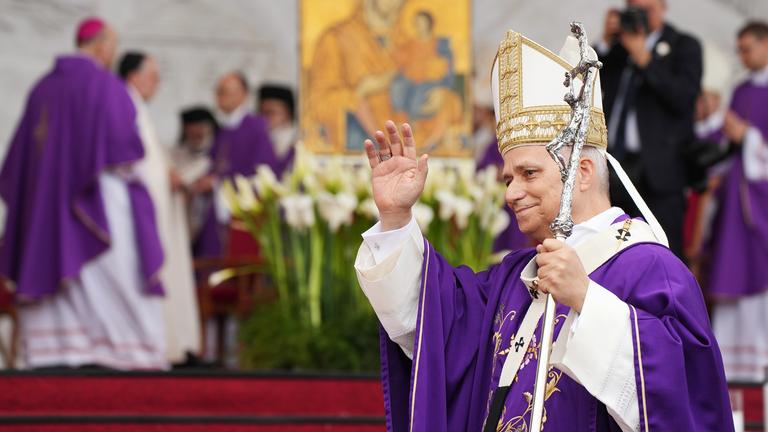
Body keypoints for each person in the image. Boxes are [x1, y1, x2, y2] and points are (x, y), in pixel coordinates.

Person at [355, 29, 732, 431]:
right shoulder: (516, 275)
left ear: (582, 172)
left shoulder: (650, 268)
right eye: (507, 179)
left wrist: (587, 300)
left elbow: (688, 397)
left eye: (529, 173)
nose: (513, 193)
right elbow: (434, 327)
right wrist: (396, 219)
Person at [0, 18, 167, 370]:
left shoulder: (41, 89)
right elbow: (127, 154)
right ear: (102, 45)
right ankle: (122, 349)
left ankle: (58, 349)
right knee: (115, 275)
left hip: (44, 213)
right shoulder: (105, 86)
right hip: (100, 205)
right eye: (113, 46)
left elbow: (18, 163)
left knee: (55, 265)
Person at [597, 0, 703, 258]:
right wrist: (604, 42)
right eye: (634, 9)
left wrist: (644, 57)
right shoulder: (618, 50)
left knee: (663, 250)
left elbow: (683, 98)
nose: (640, 15)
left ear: (662, 7)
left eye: (647, 9)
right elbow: (588, 78)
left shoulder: (683, 45)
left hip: (660, 171)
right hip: (615, 166)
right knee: (611, 247)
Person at [118, 51, 201, 365]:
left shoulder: (136, 107)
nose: (158, 83)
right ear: (134, 77)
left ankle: (173, 342)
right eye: (153, 76)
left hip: (159, 207)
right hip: (144, 211)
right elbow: (138, 166)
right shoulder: (127, 107)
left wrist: (170, 174)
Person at [709, 20, 768, 383]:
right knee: (732, 273)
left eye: (747, 48)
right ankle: (733, 369)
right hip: (737, 200)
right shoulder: (742, 89)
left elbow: (751, 141)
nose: (742, 56)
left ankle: (760, 362)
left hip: (760, 203)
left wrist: (747, 136)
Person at [194, 72, 277, 257]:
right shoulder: (223, 130)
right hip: (217, 211)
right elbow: (214, 165)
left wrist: (215, 183)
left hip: (242, 215)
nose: (219, 97)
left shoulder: (256, 127)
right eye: (218, 92)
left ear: (243, 95)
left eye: (225, 92)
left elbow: (262, 172)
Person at [171, 107, 218, 242]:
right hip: (185, 217)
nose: (197, 133)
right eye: (191, 130)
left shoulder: (218, 153)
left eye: (201, 129)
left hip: (209, 215)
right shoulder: (176, 154)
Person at [257, 84, 297, 175]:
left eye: (271, 112)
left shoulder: (298, 141)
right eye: (261, 112)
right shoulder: (258, 138)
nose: (265, 118)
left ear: (288, 114)